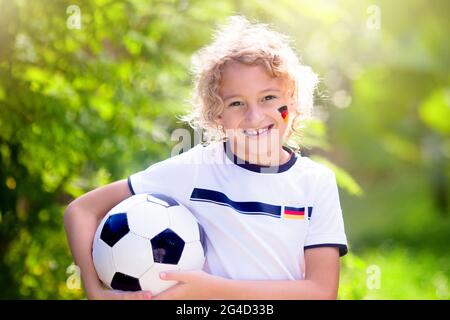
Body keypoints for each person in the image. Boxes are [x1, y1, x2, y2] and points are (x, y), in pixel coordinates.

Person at [64, 15, 348, 300]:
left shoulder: (315, 183)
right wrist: (95, 292)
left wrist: (212, 289)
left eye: (269, 98)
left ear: (293, 100)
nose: (255, 116)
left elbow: (321, 292)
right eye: (236, 103)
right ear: (217, 114)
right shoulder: (195, 171)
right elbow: (81, 211)